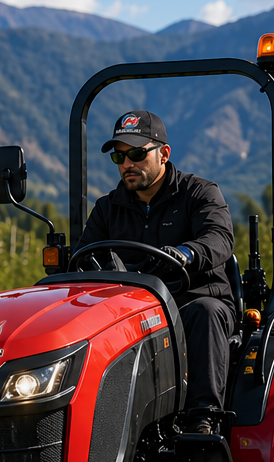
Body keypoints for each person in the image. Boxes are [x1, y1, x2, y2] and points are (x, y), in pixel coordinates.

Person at [74, 110, 236, 433]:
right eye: (119, 157)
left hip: (190, 302)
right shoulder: (108, 209)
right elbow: (83, 260)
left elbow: (220, 238)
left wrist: (187, 253)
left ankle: (202, 421)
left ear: (164, 154)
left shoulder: (198, 194)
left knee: (206, 312)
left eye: (136, 153)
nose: (126, 164)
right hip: (131, 313)